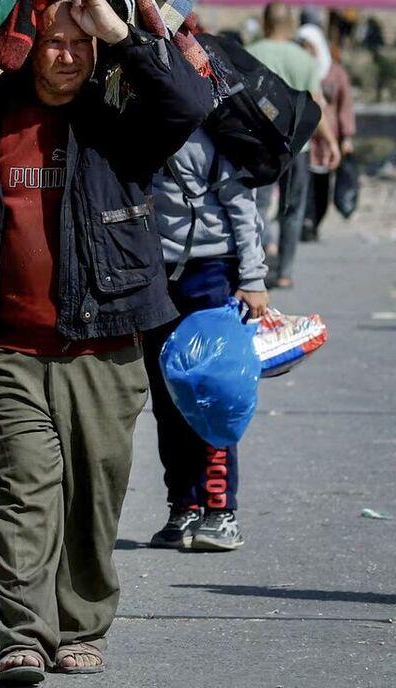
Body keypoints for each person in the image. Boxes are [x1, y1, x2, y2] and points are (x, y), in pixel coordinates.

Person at [0, 0, 212, 682]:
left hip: (107, 344)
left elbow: (190, 102)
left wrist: (118, 32)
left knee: (94, 496)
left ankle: (81, 623)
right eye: (53, 42)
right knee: (21, 493)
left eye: (79, 43)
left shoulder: (122, 119)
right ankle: (24, 633)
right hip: (7, 346)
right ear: (27, 46)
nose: (67, 55)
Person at [144, 126, 269, 553]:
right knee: (167, 400)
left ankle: (220, 510)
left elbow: (243, 208)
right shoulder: (137, 126)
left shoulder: (213, 136)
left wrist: (253, 279)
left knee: (216, 395)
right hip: (155, 278)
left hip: (212, 274)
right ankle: (183, 506)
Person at [246, 2, 340, 290]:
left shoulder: (250, 54)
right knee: (293, 209)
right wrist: (330, 142)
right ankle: (285, 272)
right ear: (289, 25)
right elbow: (315, 105)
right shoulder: (303, 59)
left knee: (257, 207)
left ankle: (257, 267)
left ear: (264, 22)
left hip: (260, 145)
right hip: (297, 147)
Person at [295, 23, 356, 242]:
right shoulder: (301, 69)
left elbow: (345, 105)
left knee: (322, 187)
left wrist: (346, 137)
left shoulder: (336, 74)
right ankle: (305, 222)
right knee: (303, 183)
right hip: (305, 139)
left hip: (328, 140)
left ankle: (315, 222)